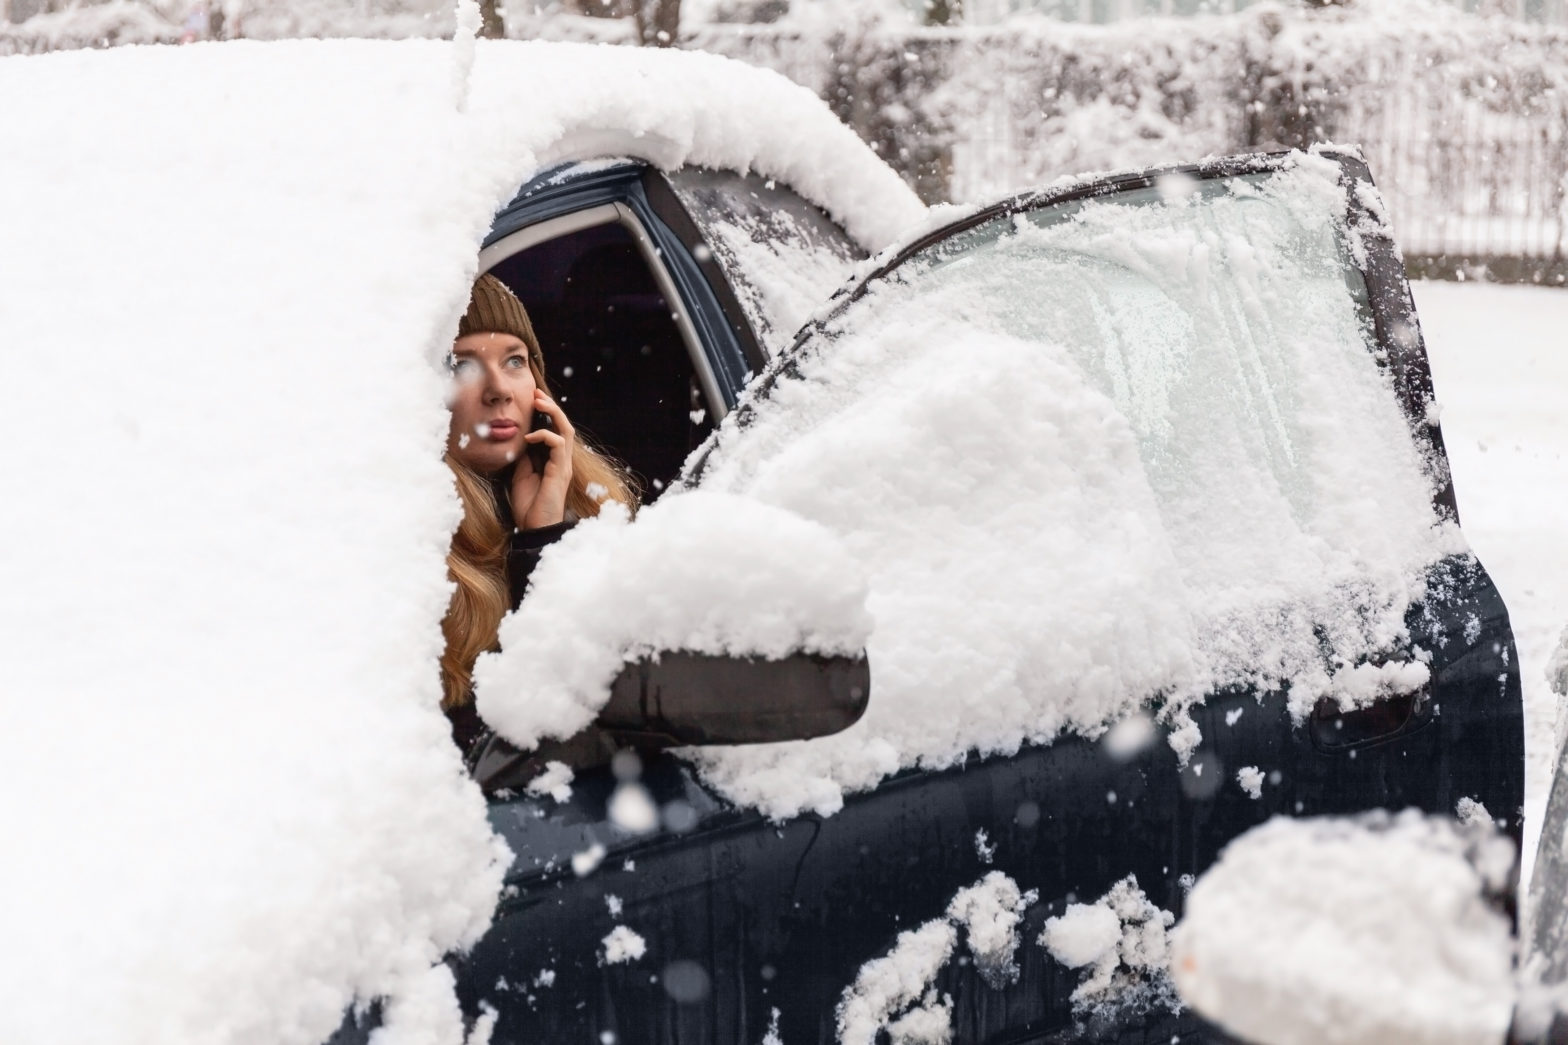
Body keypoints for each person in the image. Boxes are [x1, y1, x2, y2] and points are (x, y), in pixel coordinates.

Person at [440, 273, 636, 756]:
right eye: (461, 365)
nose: (499, 390)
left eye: (515, 361)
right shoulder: (409, 548)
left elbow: (603, 708)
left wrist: (544, 536)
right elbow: (494, 754)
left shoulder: (594, 510)